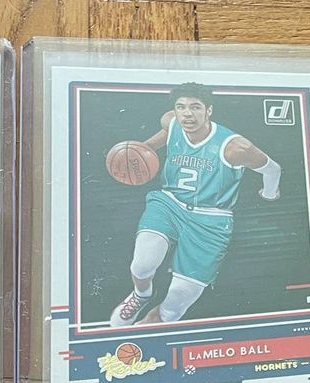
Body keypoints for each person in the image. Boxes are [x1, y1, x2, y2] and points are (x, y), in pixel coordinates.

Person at [110, 84, 281, 328]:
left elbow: (273, 169)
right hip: (169, 203)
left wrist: (269, 194)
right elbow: (157, 141)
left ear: (209, 110)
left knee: (176, 304)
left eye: (195, 107)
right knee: (142, 263)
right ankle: (141, 294)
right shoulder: (172, 123)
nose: (187, 113)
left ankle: (141, 333)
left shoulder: (235, 148)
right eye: (181, 107)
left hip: (211, 218)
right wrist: (137, 154)